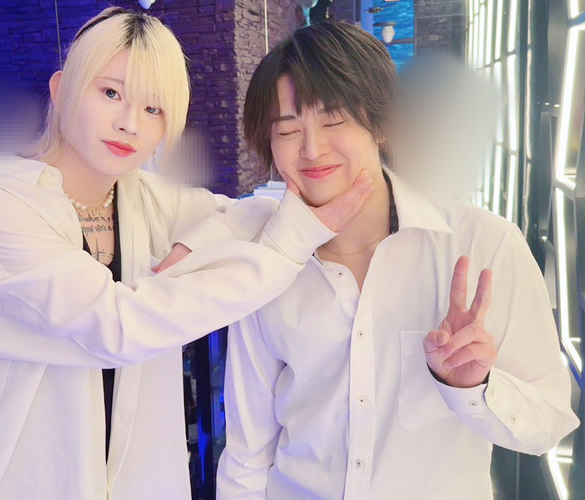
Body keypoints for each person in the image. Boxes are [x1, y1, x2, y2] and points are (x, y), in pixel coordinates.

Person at [0, 9, 375, 500]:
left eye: (153, 108)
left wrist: (197, 241)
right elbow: (113, 326)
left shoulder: (141, 198)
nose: (130, 124)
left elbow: (249, 215)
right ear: (62, 90)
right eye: (110, 93)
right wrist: (286, 243)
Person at [216, 21, 580, 500]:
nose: (312, 149)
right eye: (288, 129)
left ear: (381, 123)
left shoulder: (482, 246)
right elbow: (247, 453)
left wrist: (473, 388)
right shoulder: (266, 262)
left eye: (333, 120)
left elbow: (548, 423)